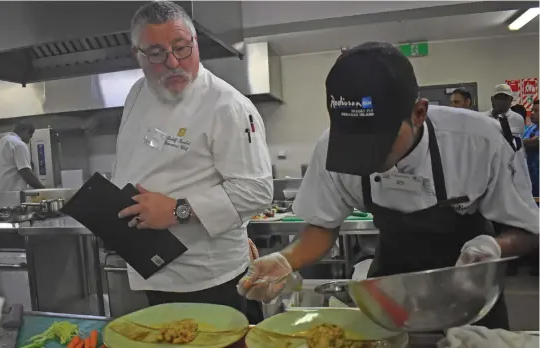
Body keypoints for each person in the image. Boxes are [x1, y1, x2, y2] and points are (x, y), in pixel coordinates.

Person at [237, 42, 539, 330]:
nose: (367, 157)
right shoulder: (329, 147)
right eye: (354, 143)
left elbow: (528, 231)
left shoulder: (480, 142)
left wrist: (494, 246)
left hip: (471, 290)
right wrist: (285, 259)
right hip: (393, 286)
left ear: (419, 112)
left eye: (380, 143)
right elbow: (323, 225)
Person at [114, 1, 272, 321]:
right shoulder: (137, 94)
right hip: (153, 268)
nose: (173, 62)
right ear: (138, 55)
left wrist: (175, 210)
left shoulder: (226, 106)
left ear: (195, 42)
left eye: (182, 47)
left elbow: (257, 191)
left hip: (208, 278)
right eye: (156, 53)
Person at [0, 123, 44, 192]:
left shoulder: (0, 143)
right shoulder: (18, 144)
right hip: (7, 194)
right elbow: (26, 172)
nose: (29, 140)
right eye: (30, 136)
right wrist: (44, 190)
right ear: (26, 131)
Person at [523, 100, 539, 197]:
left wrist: (523, 142)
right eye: (532, 110)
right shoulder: (531, 128)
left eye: (536, 111)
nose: (532, 113)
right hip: (530, 173)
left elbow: (536, 142)